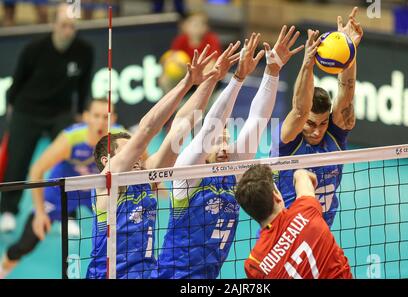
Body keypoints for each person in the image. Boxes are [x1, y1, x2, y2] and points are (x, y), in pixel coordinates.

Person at [153, 26, 304, 279]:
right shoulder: (187, 175)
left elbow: (258, 119)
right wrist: (237, 79)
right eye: (217, 141)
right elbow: (208, 129)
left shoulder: (233, 172)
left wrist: (272, 71)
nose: (224, 146)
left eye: (227, 140)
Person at [87, 44, 241, 279]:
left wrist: (210, 80)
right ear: (108, 160)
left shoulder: (147, 177)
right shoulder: (108, 183)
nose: (138, 155)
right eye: (128, 150)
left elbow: (181, 124)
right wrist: (186, 83)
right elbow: (148, 127)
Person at [0, 98, 124, 279]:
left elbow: (144, 159)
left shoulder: (120, 138)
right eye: (96, 116)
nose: (101, 122)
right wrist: (41, 212)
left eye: (106, 117)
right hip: (59, 195)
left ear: (114, 119)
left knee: (122, 231)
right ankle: (3, 269)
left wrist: (157, 183)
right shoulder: (71, 139)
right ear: (86, 117)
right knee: (26, 243)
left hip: (93, 194)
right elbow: (37, 170)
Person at [0, 3, 94, 232]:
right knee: (18, 160)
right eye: (63, 26)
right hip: (27, 109)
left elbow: (83, 86)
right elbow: (18, 79)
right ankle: (8, 211)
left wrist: (81, 113)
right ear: (54, 25)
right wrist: (12, 106)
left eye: (72, 27)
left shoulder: (84, 51)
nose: (68, 31)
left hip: (60, 113)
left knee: (69, 158)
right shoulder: (34, 48)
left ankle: (67, 214)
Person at [270, 7, 363, 227]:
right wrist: (308, 62)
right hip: (284, 237)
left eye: (323, 123)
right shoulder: (288, 141)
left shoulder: (334, 137)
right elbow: (300, 110)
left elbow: (347, 92)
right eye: (311, 124)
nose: (317, 130)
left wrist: (348, 51)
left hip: (321, 236)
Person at [235, 164, 352, 279]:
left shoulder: (254, 264)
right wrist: (298, 173)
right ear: (276, 196)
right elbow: (303, 176)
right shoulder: (306, 209)